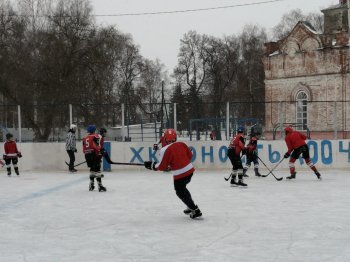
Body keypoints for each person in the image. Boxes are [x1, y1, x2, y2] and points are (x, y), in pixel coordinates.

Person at [144, 128, 202, 219]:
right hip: (190, 171)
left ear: (165, 138)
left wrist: (152, 166)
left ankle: (195, 210)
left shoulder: (164, 149)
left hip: (180, 175)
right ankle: (190, 205)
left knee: (179, 192)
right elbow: (190, 156)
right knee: (183, 188)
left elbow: (162, 166)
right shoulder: (182, 144)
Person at [82, 125, 107, 192]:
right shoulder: (95, 136)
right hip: (94, 154)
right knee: (97, 169)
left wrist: (88, 154)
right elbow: (97, 146)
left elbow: (84, 149)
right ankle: (100, 186)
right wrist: (101, 152)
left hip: (87, 155)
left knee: (92, 169)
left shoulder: (85, 138)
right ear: (94, 130)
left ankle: (91, 185)